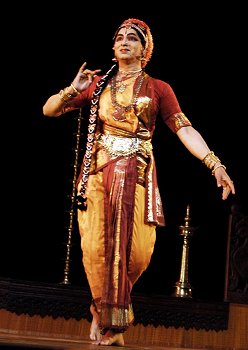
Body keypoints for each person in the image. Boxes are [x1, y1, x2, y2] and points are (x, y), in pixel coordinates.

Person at [43, 18, 235, 346]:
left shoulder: (159, 88)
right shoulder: (97, 84)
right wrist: (73, 89)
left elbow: (184, 129)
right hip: (99, 176)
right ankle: (109, 322)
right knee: (99, 249)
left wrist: (214, 163)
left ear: (145, 49)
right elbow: (49, 110)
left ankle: (103, 310)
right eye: (119, 37)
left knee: (137, 254)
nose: (124, 41)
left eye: (133, 38)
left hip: (138, 175)